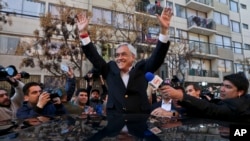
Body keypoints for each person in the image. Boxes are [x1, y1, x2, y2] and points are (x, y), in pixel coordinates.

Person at [76, 7, 173, 114]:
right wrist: (84, 33)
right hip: (115, 123)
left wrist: (164, 31)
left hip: (138, 123)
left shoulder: (142, 68)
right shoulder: (110, 69)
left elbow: (157, 57)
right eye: (117, 55)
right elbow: (95, 58)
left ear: (133, 57)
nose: (119, 58)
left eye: (124, 54)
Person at [159, 72, 250, 122]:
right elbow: (202, 111)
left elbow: (210, 109)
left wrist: (181, 96)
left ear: (240, 92)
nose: (222, 89)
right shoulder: (224, 102)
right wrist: (175, 113)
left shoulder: (239, 107)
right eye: (222, 85)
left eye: (228, 87)